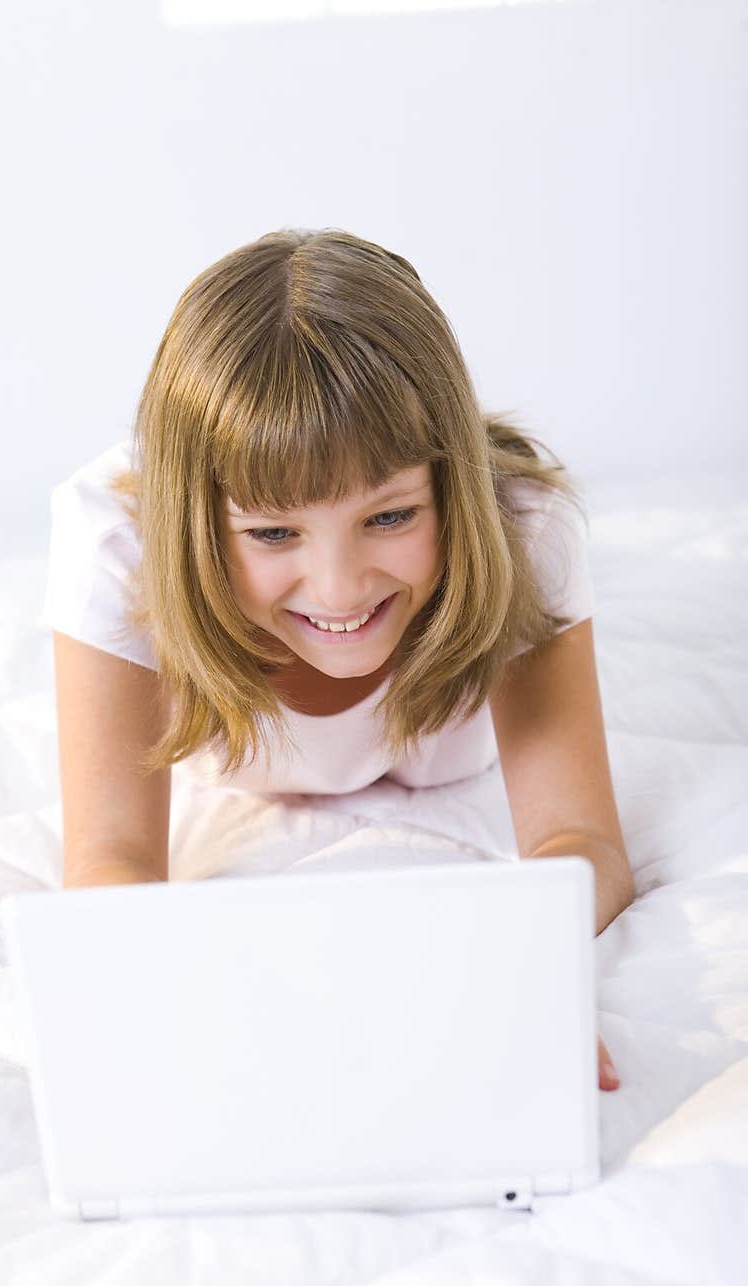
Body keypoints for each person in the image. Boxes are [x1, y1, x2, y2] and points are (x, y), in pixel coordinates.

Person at [41, 227, 633, 1091]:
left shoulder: (521, 531)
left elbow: (580, 836)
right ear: (194, 527)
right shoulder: (117, 549)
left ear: (451, 489)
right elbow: (110, 859)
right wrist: (217, 1013)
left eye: (390, 517)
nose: (341, 588)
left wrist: (503, 969)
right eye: (274, 532)